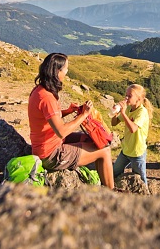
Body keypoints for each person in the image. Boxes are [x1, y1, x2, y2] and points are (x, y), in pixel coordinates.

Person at [27, 52, 114, 189]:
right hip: (50, 154)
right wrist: (83, 115)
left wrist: (68, 111)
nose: (67, 72)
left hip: (49, 144)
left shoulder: (40, 90)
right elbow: (61, 131)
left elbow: (48, 118)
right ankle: (111, 193)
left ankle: (104, 183)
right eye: (65, 68)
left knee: (95, 140)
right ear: (57, 71)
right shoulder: (47, 98)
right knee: (104, 150)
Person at [110, 84, 152, 184]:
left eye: (129, 96)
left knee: (141, 180)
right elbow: (114, 123)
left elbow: (133, 128)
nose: (126, 98)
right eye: (126, 95)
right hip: (126, 149)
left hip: (137, 152)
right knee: (114, 172)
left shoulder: (142, 112)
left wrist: (123, 113)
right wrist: (115, 112)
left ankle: (147, 197)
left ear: (138, 99)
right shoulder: (129, 109)